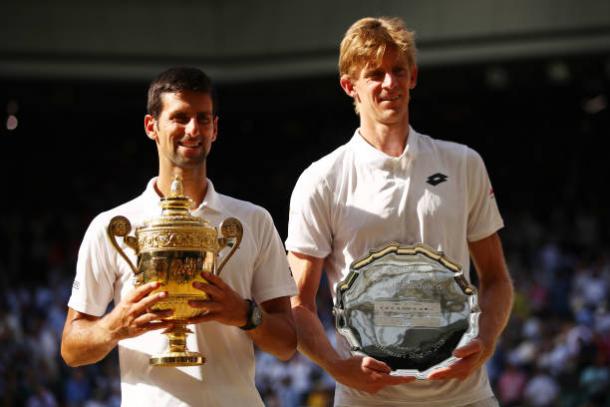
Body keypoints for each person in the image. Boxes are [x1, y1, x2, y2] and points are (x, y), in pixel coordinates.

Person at [286, 17, 513, 407]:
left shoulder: (463, 163)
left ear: (413, 77)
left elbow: (495, 279)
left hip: (465, 395)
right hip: (369, 399)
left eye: (398, 71)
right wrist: (337, 366)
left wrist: (487, 340)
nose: (389, 83)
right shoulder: (321, 179)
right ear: (349, 86)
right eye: (374, 74)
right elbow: (296, 303)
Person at [61, 67, 297, 406]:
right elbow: (71, 348)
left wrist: (244, 314)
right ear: (151, 127)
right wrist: (116, 324)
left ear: (215, 129)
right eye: (180, 117)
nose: (192, 130)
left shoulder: (253, 221)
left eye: (203, 119)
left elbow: (287, 342)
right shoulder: (110, 226)